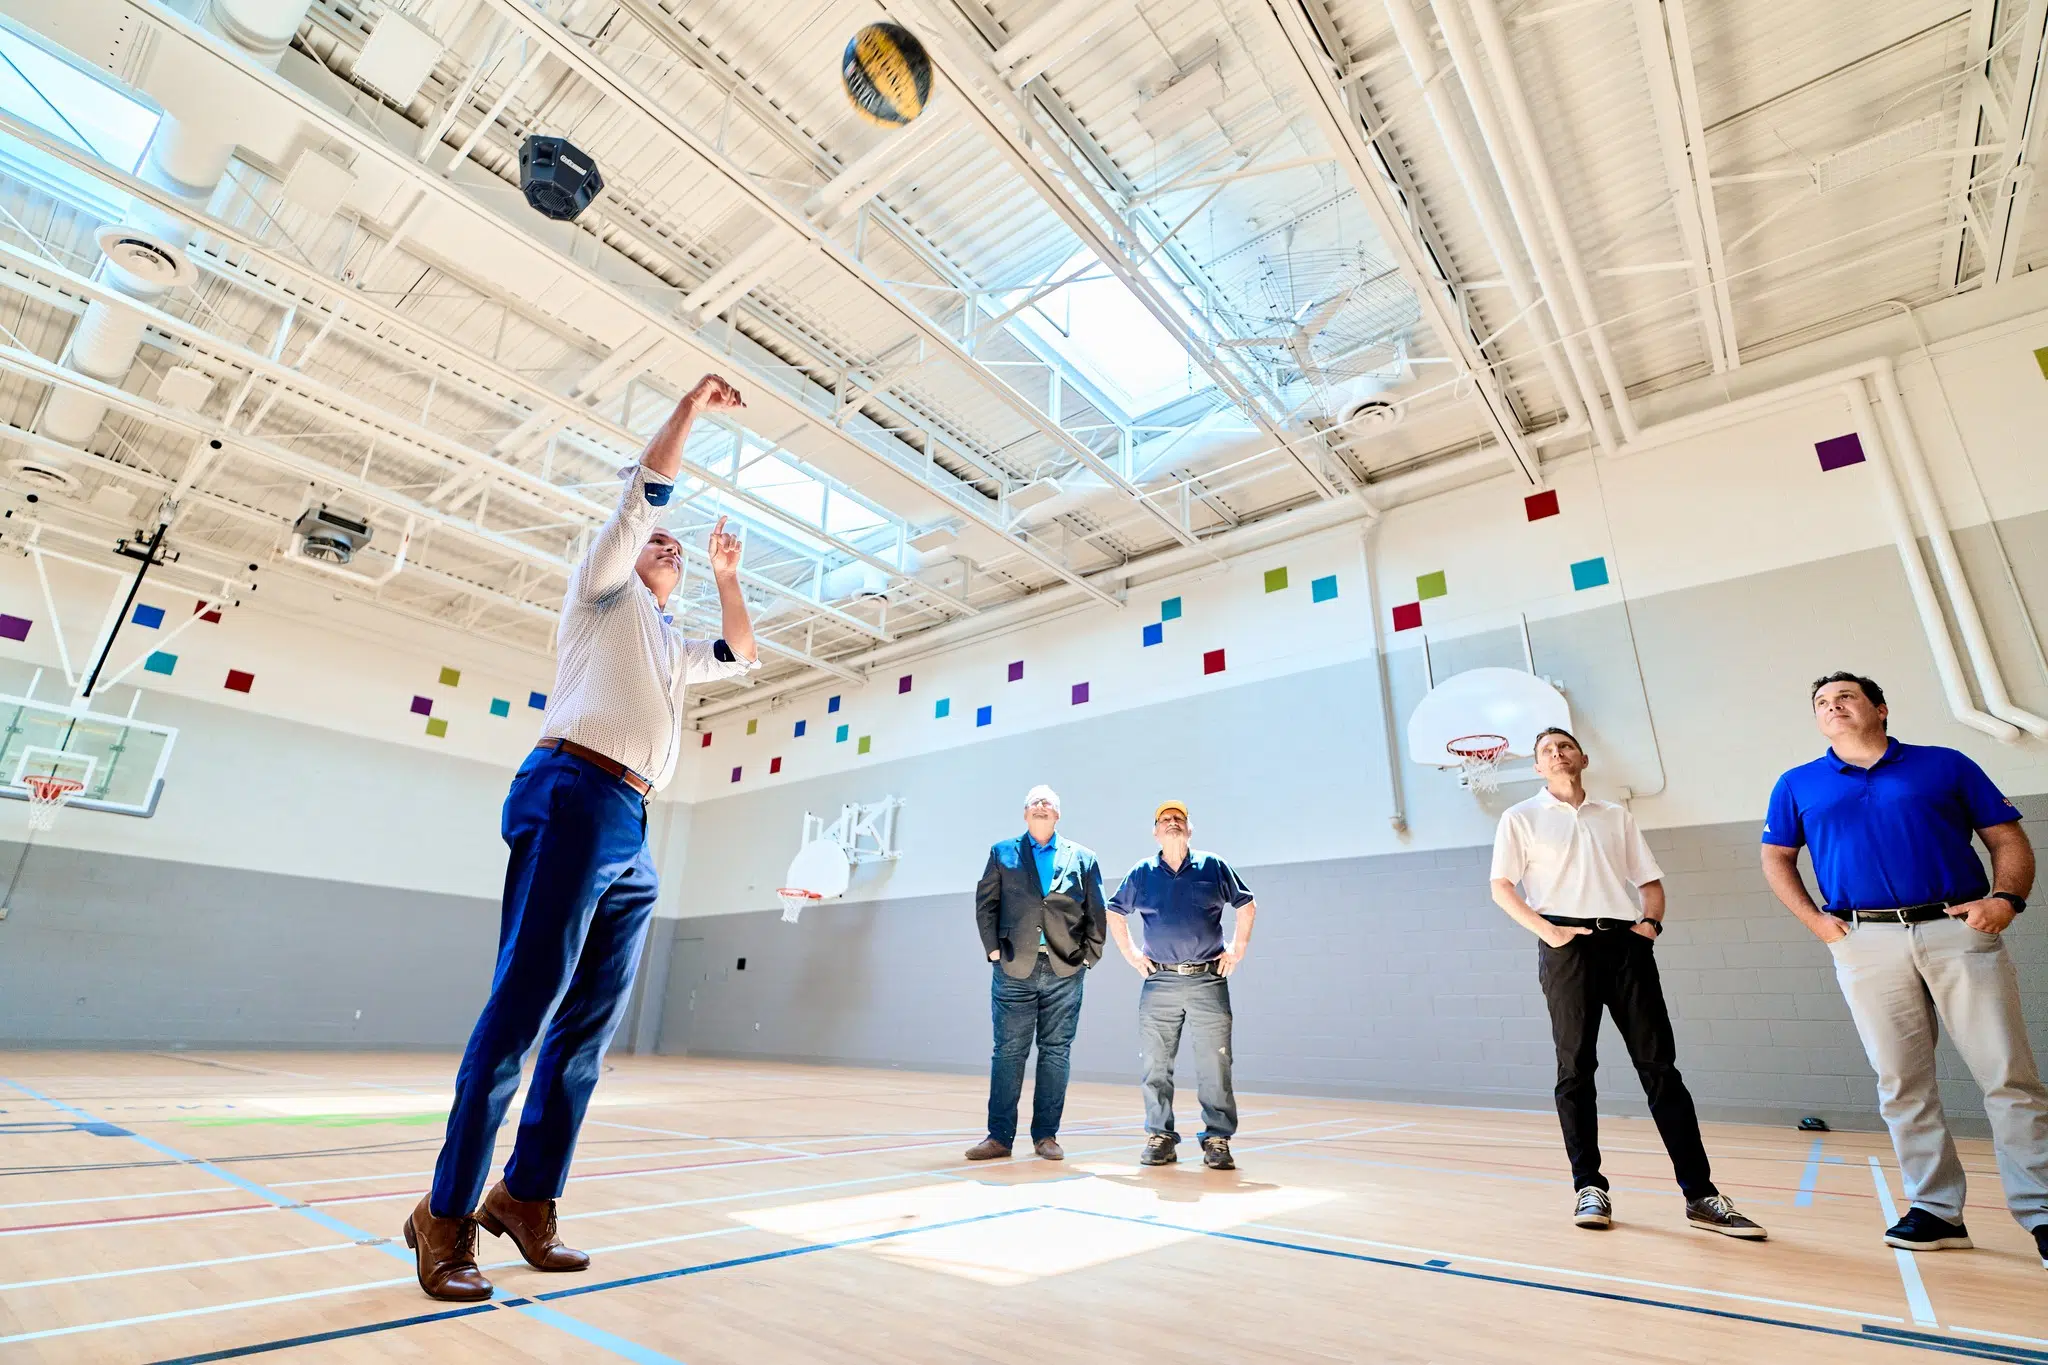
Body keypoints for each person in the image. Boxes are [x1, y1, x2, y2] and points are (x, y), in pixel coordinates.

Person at [407, 376, 759, 1301]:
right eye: (660, 543)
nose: (667, 547)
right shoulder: (602, 591)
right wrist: (687, 413)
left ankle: (525, 1196)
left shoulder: (671, 639)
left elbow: (741, 654)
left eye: (676, 550)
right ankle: (442, 1218)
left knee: (587, 1031)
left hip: (637, 823)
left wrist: (722, 580)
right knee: (520, 1012)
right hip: (572, 790)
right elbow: (645, 494)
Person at [1762, 672, 2044, 1270]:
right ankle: (1936, 1212)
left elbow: (2007, 839)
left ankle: (2042, 1212)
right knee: (1901, 1084)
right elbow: (1776, 858)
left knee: (2008, 1078)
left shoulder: (1945, 764)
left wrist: (2005, 900)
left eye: (1846, 697)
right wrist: (1817, 923)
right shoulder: (1797, 784)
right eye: (1821, 702)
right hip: (1863, 941)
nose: (1833, 707)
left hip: (1957, 931)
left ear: (1881, 709)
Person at [1491, 728, 1766, 1239]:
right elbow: (1501, 887)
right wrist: (1550, 932)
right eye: (1546, 750)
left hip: (1625, 947)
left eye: (1565, 746)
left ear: (1583, 757)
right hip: (1566, 948)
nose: (1557, 753)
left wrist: (1650, 925)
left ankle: (1701, 1195)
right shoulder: (1520, 818)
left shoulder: (1615, 816)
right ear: (1536, 767)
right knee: (1575, 1069)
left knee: (1660, 1067)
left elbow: (1649, 881)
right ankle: (1589, 1187)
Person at [1106, 800, 1257, 1172]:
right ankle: (1160, 1137)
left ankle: (1217, 1139)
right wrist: (1131, 955)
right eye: (1165, 820)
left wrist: (1237, 949)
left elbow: (1247, 904)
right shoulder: (1142, 873)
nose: (1172, 823)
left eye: (1179, 819)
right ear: (1155, 831)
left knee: (1215, 1064)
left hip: (1208, 979)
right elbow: (1114, 911)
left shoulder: (1213, 867)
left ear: (1189, 830)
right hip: (1159, 981)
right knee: (1156, 1065)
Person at [968, 785, 1105, 1162]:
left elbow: (1097, 911)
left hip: (1065, 970)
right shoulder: (1002, 853)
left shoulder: (1084, 857)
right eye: (1035, 803)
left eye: (1049, 803)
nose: (1042, 807)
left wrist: (1088, 957)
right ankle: (999, 1138)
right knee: (1008, 1053)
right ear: (1025, 814)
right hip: (1014, 967)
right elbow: (986, 905)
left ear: (1057, 815)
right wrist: (993, 950)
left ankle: (1046, 1136)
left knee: (1056, 1053)